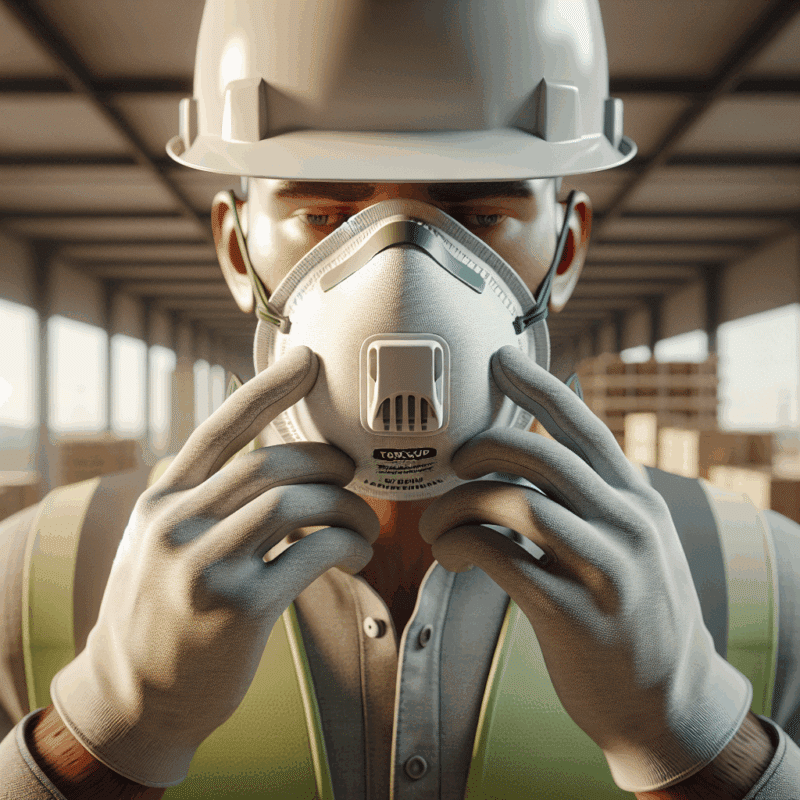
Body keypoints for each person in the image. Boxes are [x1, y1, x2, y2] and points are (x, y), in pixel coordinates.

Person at [1, 1, 799, 798]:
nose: (399, 276)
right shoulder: (27, 575)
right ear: (237, 251)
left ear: (567, 250)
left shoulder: (772, 580)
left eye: (479, 214)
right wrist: (107, 728)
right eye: (322, 214)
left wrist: (689, 731)